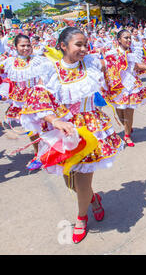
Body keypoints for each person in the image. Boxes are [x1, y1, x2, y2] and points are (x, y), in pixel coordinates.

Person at [19, 27, 123, 243]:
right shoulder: (51, 70)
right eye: (79, 44)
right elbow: (39, 100)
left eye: (86, 44)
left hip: (90, 130)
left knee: (83, 178)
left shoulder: (92, 64)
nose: (84, 49)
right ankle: (93, 199)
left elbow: (119, 69)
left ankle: (81, 218)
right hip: (63, 131)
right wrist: (55, 121)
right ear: (63, 46)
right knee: (69, 181)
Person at [103, 29, 146, 147]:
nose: (129, 40)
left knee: (129, 110)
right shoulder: (111, 53)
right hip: (117, 87)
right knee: (120, 111)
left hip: (131, 86)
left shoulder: (134, 52)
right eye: (126, 38)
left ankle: (127, 135)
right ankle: (128, 127)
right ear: (119, 40)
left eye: (130, 38)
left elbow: (137, 66)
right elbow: (106, 67)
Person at [1, 34, 46, 170]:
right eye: (22, 45)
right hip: (22, 100)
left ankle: (47, 153)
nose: (26, 48)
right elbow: (4, 78)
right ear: (16, 47)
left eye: (28, 45)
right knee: (31, 129)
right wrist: (4, 93)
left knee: (45, 127)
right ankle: (39, 155)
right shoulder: (9, 62)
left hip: (40, 97)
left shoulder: (39, 60)